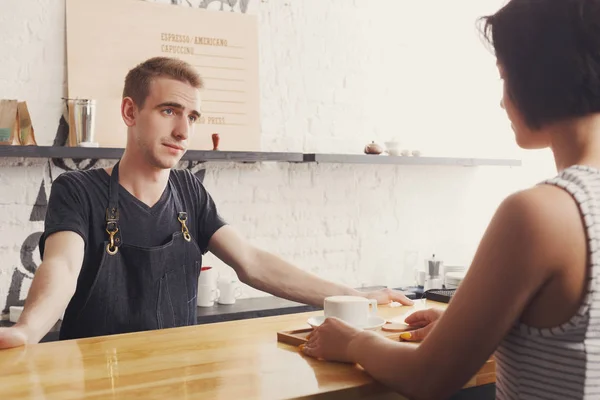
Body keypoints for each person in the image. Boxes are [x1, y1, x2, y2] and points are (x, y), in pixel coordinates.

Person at [0, 56, 412, 348]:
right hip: (96, 381)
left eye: (192, 117)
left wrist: (353, 297)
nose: (183, 131)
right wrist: (26, 330)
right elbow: (63, 266)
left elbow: (252, 262)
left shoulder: (190, 192)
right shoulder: (78, 190)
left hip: (182, 375)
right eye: (168, 110)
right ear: (130, 110)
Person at [301, 0, 600, 399]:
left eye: (503, 76)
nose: (501, 101)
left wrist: (352, 342)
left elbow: (429, 378)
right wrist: (461, 327)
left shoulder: (540, 213)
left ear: (538, 76)